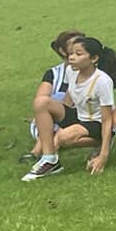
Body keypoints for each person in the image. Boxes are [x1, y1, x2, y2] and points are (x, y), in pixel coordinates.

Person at [23, 34, 116, 180]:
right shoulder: (71, 72)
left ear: (94, 59)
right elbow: (68, 101)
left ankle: (102, 144)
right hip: (79, 116)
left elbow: (107, 119)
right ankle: (50, 160)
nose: (72, 57)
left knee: (63, 137)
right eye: (71, 54)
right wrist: (51, 122)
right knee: (41, 102)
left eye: (78, 54)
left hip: (97, 123)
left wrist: (103, 156)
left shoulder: (103, 81)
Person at [24, 29, 85, 162]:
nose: (79, 45)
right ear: (63, 51)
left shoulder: (91, 70)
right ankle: (45, 152)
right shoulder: (53, 73)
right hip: (55, 118)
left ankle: (39, 153)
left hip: (81, 116)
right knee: (49, 102)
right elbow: (41, 99)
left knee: (56, 103)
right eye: (74, 43)